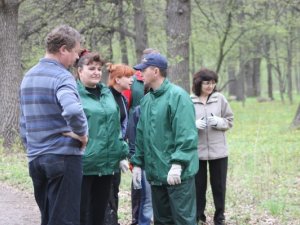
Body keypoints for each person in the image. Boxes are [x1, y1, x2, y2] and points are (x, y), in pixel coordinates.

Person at [19, 25, 88, 225]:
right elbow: (73, 110)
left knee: (48, 219)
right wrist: (82, 134)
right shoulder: (62, 77)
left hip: (36, 160)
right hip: (62, 158)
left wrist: (32, 148)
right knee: (64, 220)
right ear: (63, 49)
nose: (77, 58)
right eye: (75, 52)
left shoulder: (29, 76)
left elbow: (23, 122)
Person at [131, 53, 199, 225]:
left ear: (155, 71)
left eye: (143, 71)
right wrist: (138, 163)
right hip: (156, 175)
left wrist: (178, 164)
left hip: (178, 175)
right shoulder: (146, 101)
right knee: (162, 221)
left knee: (183, 220)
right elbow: (141, 135)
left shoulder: (178, 96)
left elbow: (186, 134)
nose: (140, 75)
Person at [74, 52, 129, 225]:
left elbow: (115, 128)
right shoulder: (73, 94)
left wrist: (121, 154)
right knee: (82, 215)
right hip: (83, 164)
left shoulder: (107, 94)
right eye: (91, 69)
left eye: (99, 69)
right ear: (79, 71)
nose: (97, 72)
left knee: (100, 214)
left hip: (107, 165)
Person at [190, 68, 234, 225]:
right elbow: (183, 124)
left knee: (219, 186)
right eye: (207, 83)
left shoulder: (220, 99)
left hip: (219, 151)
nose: (210, 86)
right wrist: (193, 125)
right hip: (197, 151)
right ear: (198, 83)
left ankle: (219, 216)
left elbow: (229, 120)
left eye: (213, 83)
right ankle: (198, 215)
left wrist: (219, 122)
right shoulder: (190, 100)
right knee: (198, 186)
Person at [123, 48, 158, 225]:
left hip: (155, 145)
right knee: (140, 190)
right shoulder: (133, 81)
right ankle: (137, 220)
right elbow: (126, 106)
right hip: (136, 132)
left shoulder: (160, 84)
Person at [104, 63, 135, 225]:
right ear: (117, 79)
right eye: (128, 77)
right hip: (106, 156)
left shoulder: (123, 98)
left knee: (114, 192)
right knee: (106, 196)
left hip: (118, 154)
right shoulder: (105, 97)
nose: (132, 80)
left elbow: (122, 129)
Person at [127, 84, 153, 225]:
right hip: (143, 161)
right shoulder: (138, 111)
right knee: (146, 199)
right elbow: (133, 137)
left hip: (163, 161)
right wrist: (134, 161)